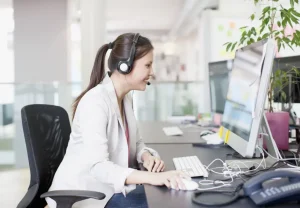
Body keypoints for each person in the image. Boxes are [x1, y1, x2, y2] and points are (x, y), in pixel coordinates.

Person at [46, 33, 189, 208]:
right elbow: (99, 167)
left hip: (109, 190)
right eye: (148, 65)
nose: (152, 72)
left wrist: (146, 156)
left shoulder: (125, 99)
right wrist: (154, 177)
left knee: (170, 195)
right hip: (88, 196)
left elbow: (137, 143)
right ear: (125, 66)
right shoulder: (95, 102)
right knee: (167, 201)